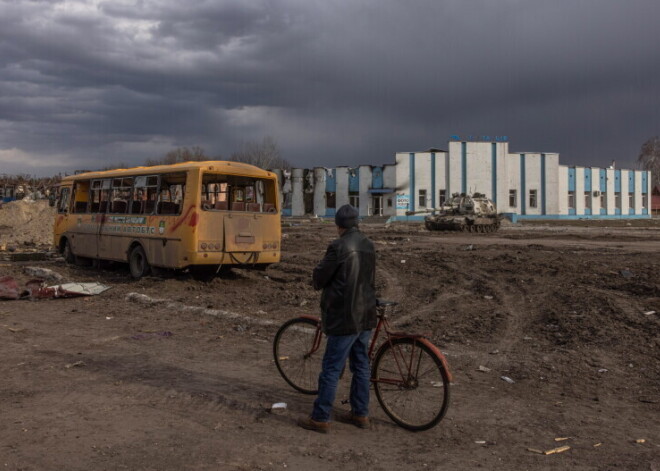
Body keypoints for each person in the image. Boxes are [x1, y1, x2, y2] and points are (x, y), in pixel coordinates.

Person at [297, 204, 377, 433]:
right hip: (366, 314)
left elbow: (321, 277)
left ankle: (320, 418)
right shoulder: (369, 245)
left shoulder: (338, 246)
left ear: (339, 225)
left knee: (331, 368)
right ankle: (360, 414)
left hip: (345, 317)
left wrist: (316, 276)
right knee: (361, 366)